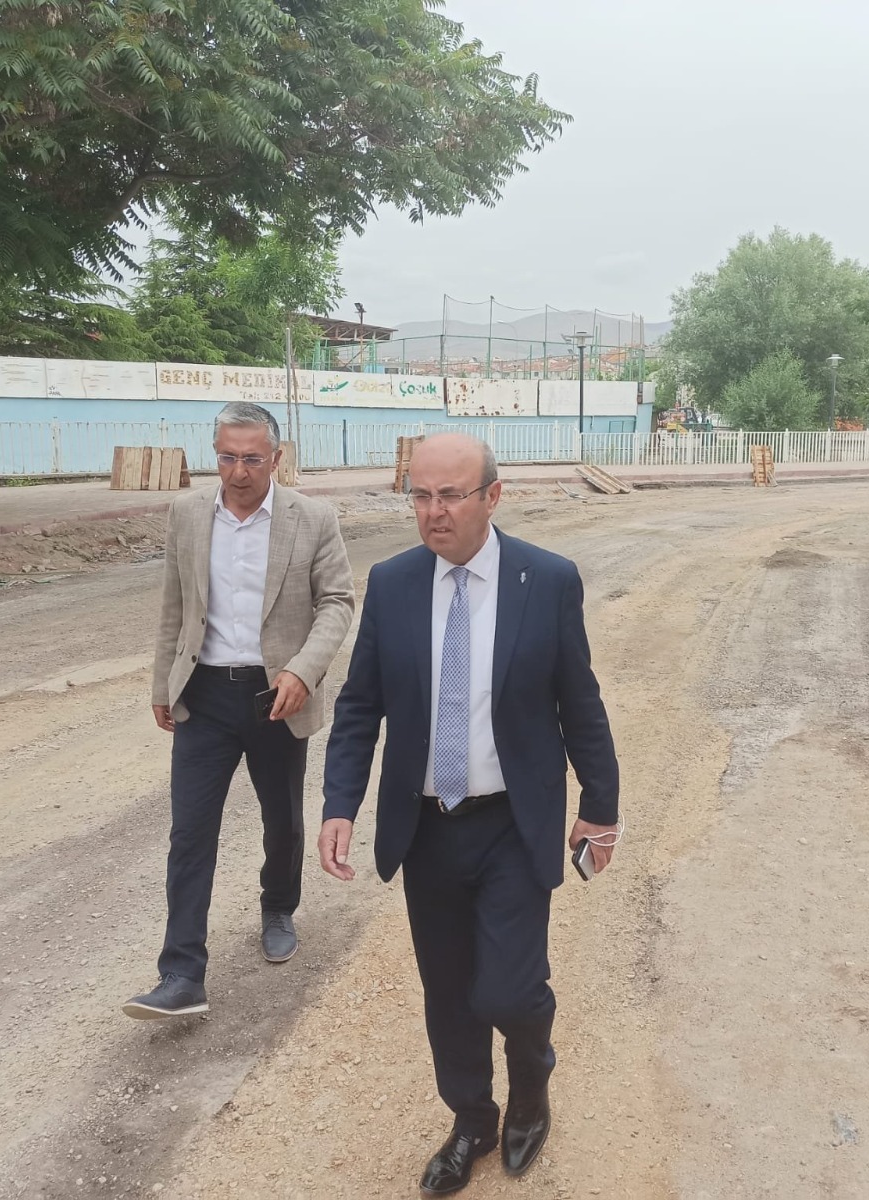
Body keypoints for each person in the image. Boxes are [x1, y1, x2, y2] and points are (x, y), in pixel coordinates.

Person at [319, 433, 621, 1195]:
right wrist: (339, 804)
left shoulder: (545, 580)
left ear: (492, 496)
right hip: (427, 828)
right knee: (449, 993)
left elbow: (579, 703)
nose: (434, 512)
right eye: (420, 496)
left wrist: (600, 807)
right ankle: (473, 1121)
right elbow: (359, 706)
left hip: (513, 823)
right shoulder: (392, 583)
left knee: (506, 992)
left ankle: (532, 1084)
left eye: (451, 495)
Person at [124, 402, 355, 1020]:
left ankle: (278, 907)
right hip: (203, 695)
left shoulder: (312, 518)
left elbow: (337, 602)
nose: (239, 471)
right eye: (227, 457)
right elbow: (174, 604)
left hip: (276, 695)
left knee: (282, 820)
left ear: (276, 459)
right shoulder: (188, 514)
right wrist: (162, 684)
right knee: (190, 832)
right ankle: (181, 974)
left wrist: (303, 670)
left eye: (252, 459)